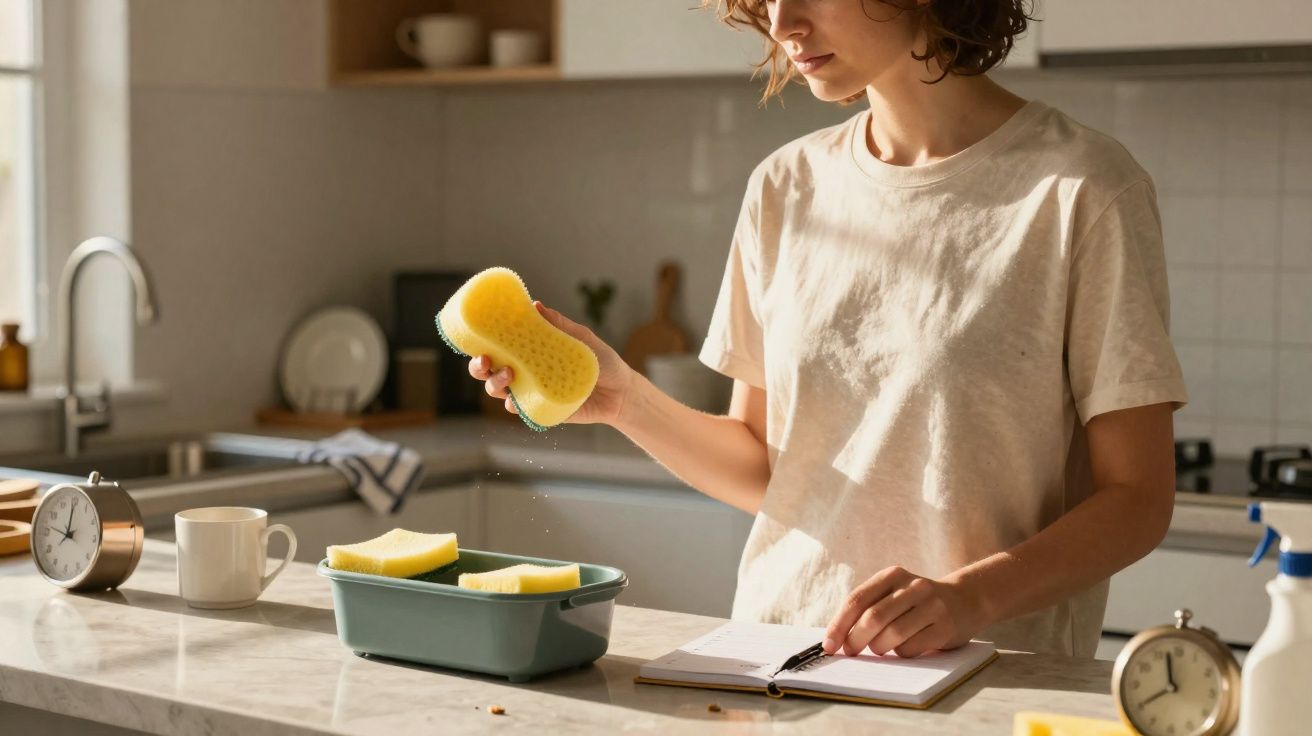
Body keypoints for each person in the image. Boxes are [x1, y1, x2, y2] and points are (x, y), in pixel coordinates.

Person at [467, 0, 1186, 659]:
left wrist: (973, 597)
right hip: (782, 660)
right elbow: (767, 469)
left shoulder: (1082, 189)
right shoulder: (785, 188)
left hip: (986, 679)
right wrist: (621, 398)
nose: (782, 22)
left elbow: (1138, 500)